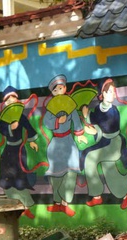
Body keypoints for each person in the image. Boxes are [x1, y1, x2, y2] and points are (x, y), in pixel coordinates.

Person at [81, 78, 127, 210]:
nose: (113, 94)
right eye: (110, 91)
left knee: (90, 159)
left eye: (113, 91)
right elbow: (94, 119)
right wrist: (86, 115)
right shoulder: (99, 108)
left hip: (114, 143)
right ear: (102, 94)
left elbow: (105, 127)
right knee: (109, 171)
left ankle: (97, 196)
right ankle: (125, 194)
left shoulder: (113, 111)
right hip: (104, 142)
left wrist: (94, 130)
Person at [43, 74, 87, 217]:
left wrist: (79, 135)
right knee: (56, 175)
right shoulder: (51, 108)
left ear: (65, 88)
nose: (58, 92)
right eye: (55, 90)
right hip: (55, 144)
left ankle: (65, 203)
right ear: (52, 92)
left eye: (60, 88)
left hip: (68, 140)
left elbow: (76, 121)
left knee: (71, 172)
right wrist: (57, 121)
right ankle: (57, 203)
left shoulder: (69, 104)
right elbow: (46, 122)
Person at [0, 86, 41, 219]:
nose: (11, 101)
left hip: (19, 150)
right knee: (6, 177)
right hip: (8, 150)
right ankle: (14, 204)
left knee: (20, 178)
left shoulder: (21, 117)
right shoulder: (5, 118)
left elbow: (29, 128)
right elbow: (1, 128)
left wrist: (32, 141)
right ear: (5, 103)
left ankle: (26, 206)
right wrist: (10, 127)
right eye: (8, 99)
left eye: (13, 98)